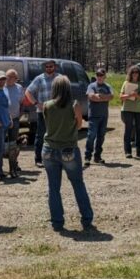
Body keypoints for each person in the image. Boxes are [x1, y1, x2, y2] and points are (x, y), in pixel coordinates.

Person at [40, 75, 94, 232]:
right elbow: (78, 125)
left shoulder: (47, 105)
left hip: (49, 149)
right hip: (68, 149)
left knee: (53, 187)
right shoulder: (74, 105)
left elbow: (47, 124)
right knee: (78, 184)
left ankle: (57, 222)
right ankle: (86, 219)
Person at [24, 59, 58, 167]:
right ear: (44, 68)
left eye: (51, 66)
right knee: (40, 135)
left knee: (55, 134)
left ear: (55, 67)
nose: (49, 68)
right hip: (42, 111)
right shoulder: (39, 79)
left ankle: (54, 157)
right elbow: (28, 92)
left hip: (56, 111)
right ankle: (38, 159)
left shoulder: (59, 78)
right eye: (47, 66)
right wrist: (35, 103)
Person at [85, 67, 114, 167]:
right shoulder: (91, 86)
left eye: (101, 75)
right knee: (91, 136)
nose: (99, 77)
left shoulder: (108, 86)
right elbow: (91, 97)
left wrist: (100, 97)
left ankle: (97, 156)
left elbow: (111, 97)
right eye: (98, 75)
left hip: (104, 116)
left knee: (101, 137)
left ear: (105, 76)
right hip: (93, 116)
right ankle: (87, 157)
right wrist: (104, 98)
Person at [120, 65, 140, 159]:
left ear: (139, 73)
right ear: (130, 73)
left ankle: (139, 151)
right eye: (133, 72)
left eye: (136, 72)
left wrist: (136, 96)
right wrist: (130, 95)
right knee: (128, 130)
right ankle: (127, 151)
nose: (135, 74)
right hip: (127, 109)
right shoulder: (126, 83)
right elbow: (121, 97)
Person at [4, 69, 24, 178]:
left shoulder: (19, 88)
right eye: (8, 76)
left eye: (13, 77)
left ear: (16, 79)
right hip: (2, 120)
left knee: (13, 143)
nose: (10, 79)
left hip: (15, 118)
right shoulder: (2, 87)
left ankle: (14, 164)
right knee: (0, 143)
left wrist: (19, 114)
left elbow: (21, 103)